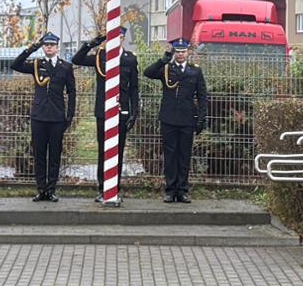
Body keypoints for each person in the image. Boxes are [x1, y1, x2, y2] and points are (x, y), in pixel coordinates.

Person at [70, 34, 141, 202]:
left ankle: (115, 188)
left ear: (123, 38)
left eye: (120, 36)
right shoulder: (100, 56)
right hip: (103, 111)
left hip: (121, 110)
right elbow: (77, 59)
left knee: (118, 151)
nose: (116, 39)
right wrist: (90, 44)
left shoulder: (129, 59)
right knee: (104, 151)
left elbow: (134, 88)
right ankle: (102, 188)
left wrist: (134, 112)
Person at [10, 33, 78, 202]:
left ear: (57, 47)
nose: (48, 47)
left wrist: (69, 115)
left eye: (51, 45)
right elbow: (15, 65)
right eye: (45, 44)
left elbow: (72, 91)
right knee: (39, 154)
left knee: (54, 155)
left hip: (56, 118)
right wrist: (31, 49)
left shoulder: (66, 67)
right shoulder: (36, 64)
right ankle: (41, 190)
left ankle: (51, 189)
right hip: (39, 117)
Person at [144, 38, 208, 203]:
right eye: (177, 51)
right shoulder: (166, 68)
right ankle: (170, 190)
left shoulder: (195, 71)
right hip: (169, 119)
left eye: (183, 51)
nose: (180, 54)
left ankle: (183, 190)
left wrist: (201, 119)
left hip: (187, 119)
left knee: (184, 156)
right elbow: (148, 72)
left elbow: (202, 97)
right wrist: (164, 57)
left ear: (188, 52)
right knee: (170, 155)